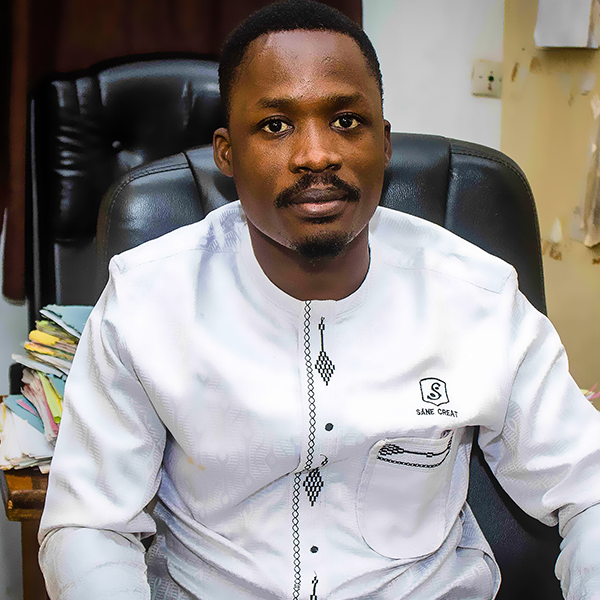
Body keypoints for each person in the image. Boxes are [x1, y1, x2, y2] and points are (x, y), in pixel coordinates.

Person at [38, 1, 600, 599]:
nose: (315, 155)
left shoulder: (477, 297)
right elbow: (90, 525)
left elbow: (589, 488)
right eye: (276, 125)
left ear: (384, 143)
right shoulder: (148, 300)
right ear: (226, 152)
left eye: (346, 121)